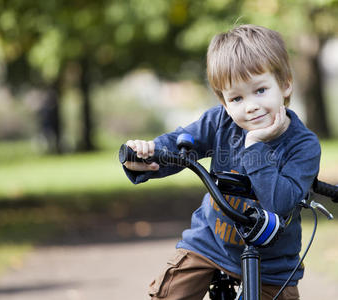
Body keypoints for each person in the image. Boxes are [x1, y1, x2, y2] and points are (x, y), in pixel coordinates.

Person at [122, 24, 320, 300]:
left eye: (260, 90)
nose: (250, 106)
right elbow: (181, 144)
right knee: (169, 294)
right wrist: (147, 156)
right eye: (237, 98)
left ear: (285, 83)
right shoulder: (219, 122)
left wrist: (254, 147)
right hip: (210, 243)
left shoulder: (303, 145)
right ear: (224, 103)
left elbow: (279, 203)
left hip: (273, 264)